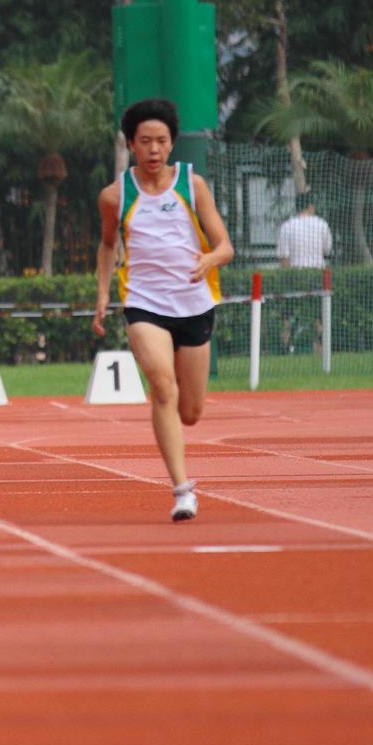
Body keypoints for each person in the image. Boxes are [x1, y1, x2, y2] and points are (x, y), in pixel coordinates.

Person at [92, 99, 235, 522]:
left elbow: (225, 246)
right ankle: (182, 490)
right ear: (130, 145)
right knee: (163, 387)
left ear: (172, 143)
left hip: (194, 304)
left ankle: (176, 427)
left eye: (161, 140)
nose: (153, 149)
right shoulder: (115, 196)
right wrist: (102, 294)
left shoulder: (192, 185)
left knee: (190, 412)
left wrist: (209, 259)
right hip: (144, 303)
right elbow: (107, 245)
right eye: (145, 141)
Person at [274, 198, 331, 269]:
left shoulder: (287, 226)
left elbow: (283, 256)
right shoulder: (322, 224)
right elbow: (327, 249)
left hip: (296, 271)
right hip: (318, 270)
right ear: (311, 207)